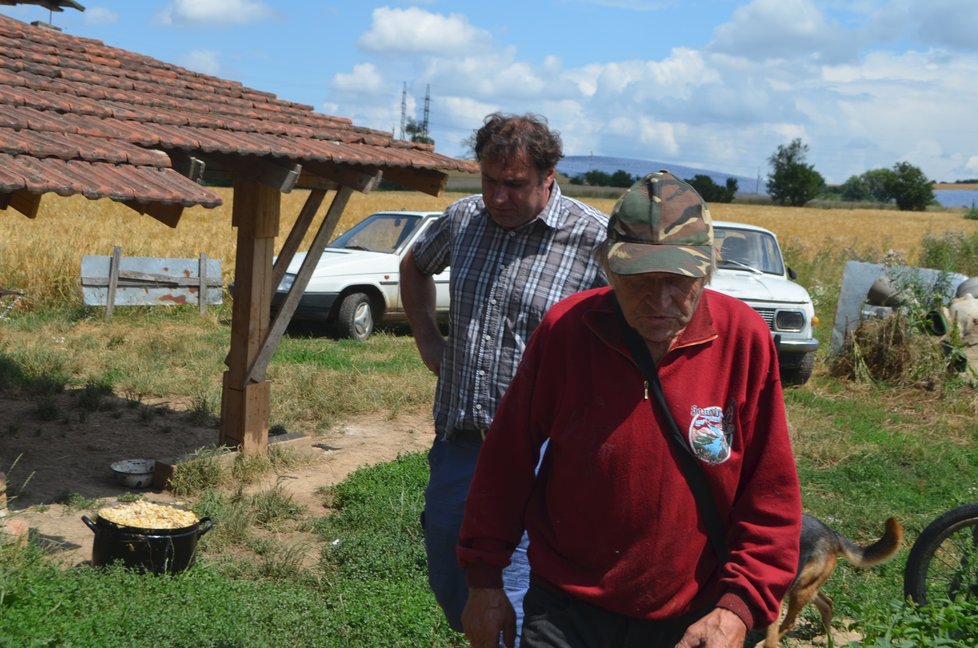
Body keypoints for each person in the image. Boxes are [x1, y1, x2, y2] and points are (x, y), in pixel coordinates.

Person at [457, 170, 802, 648]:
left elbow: (770, 493)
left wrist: (737, 606)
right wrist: (484, 580)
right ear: (608, 269)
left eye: (677, 281)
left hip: (694, 617)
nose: (659, 302)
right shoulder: (568, 331)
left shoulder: (743, 340)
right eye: (640, 279)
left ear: (706, 272)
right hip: (566, 610)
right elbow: (506, 462)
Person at [399, 112, 610, 642]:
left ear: (549, 175)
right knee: (452, 566)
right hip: (463, 442)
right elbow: (415, 264)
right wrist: (428, 338)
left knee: (508, 588)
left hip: (544, 453)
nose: (497, 197)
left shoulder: (592, 240)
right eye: (489, 181)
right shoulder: (463, 219)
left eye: (514, 184)